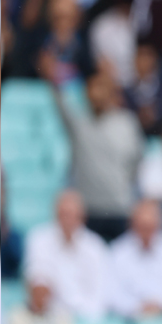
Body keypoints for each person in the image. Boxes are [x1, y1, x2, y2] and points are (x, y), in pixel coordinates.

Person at [51, 65, 144, 242]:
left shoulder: (127, 123)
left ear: (112, 93)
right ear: (86, 93)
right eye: (93, 87)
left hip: (120, 209)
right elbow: (60, 103)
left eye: (102, 87)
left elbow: (136, 162)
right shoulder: (79, 123)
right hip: (87, 210)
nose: (97, 93)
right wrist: (52, 77)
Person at [21, 190, 109, 323]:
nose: (67, 220)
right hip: (50, 320)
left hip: (86, 320)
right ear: (55, 215)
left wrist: (81, 318)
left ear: (82, 217)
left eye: (72, 215)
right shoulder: (39, 239)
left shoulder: (95, 247)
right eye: (63, 214)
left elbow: (100, 295)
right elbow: (38, 280)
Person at [108, 200, 162, 318]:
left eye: (150, 227)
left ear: (160, 224)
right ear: (132, 225)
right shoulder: (118, 251)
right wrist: (138, 307)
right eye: (142, 227)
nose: (146, 233)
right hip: (131, 320)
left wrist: (161, 304)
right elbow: (112, 294)